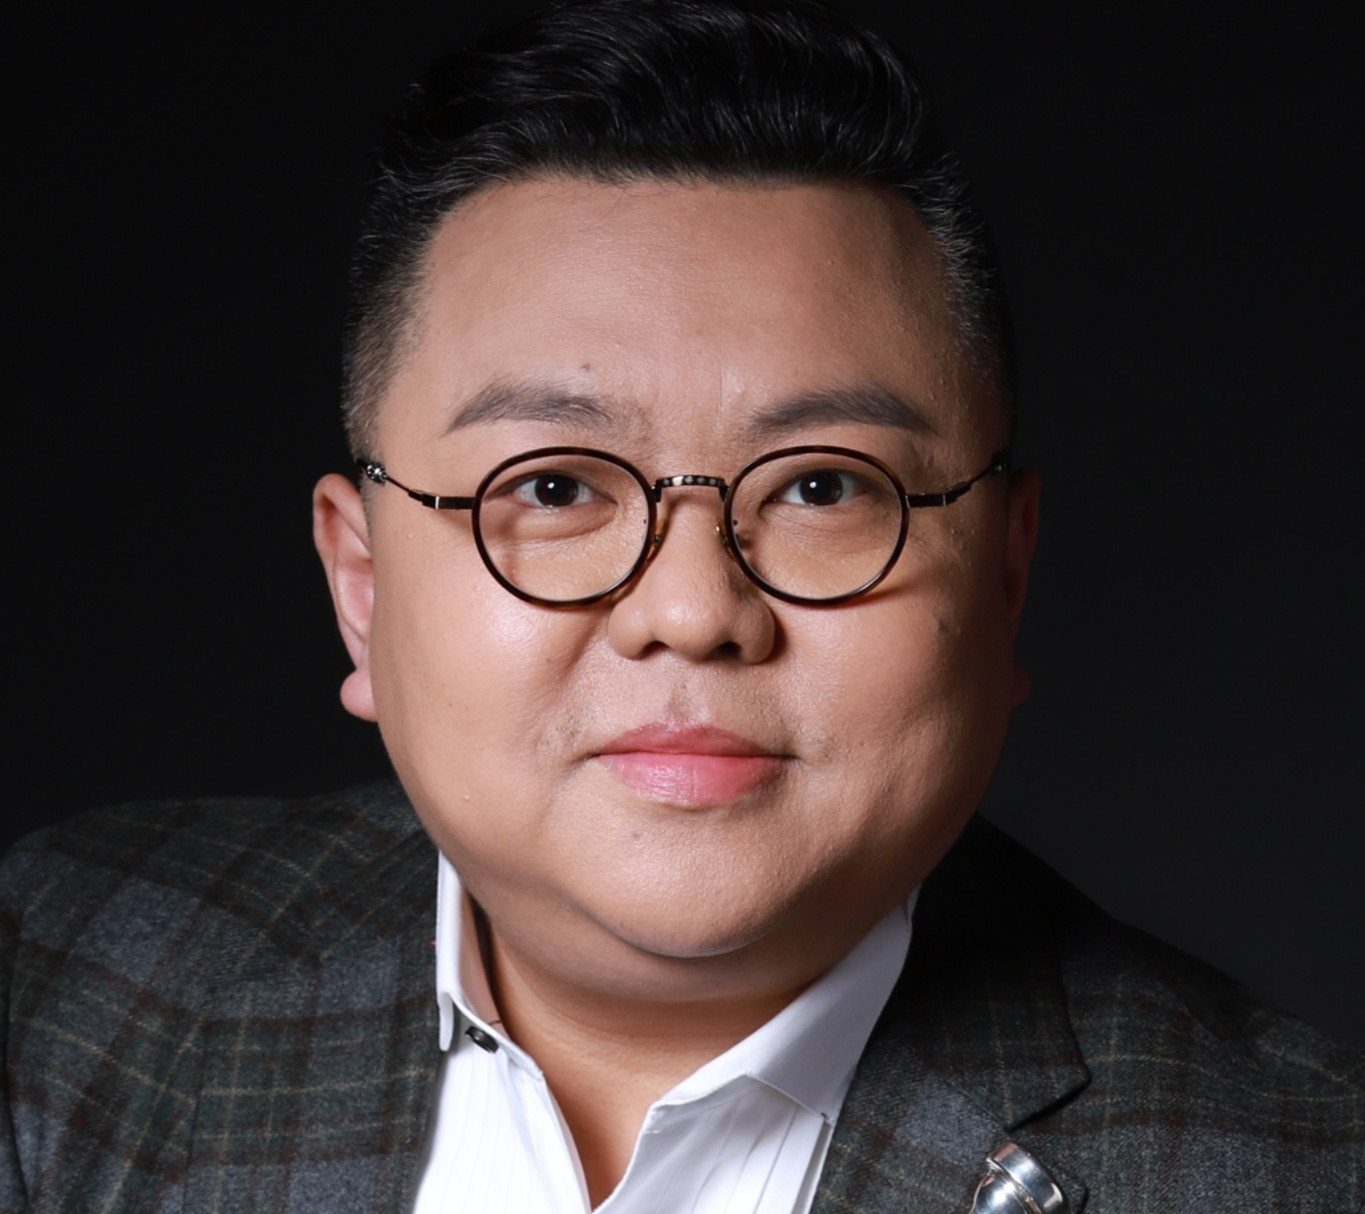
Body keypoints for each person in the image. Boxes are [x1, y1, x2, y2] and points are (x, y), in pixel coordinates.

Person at [2, 2, 1359, 1211]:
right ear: (360, 586)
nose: (695, 609)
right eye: (553, 485)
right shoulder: (53, 989)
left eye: (823, 485)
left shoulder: (1294, 1174)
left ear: (1005, 575)